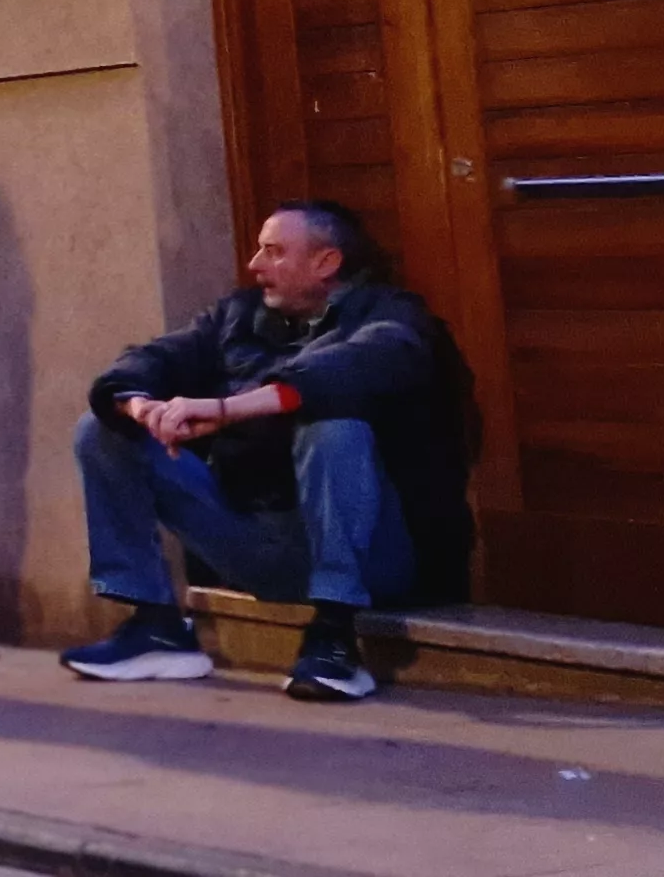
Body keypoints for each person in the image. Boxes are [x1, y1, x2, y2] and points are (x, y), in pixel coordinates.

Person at [68, 202, 473, 704]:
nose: (256, 265)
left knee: (333, 424)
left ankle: (334, 637)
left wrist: (227, 409)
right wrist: (140, 406)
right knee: (102, 429)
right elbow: (150, 360)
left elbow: (343, 372)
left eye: (274, 252)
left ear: (326, 262)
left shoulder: (394, 317)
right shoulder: (237, 316)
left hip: (374, 556)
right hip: (255, 540)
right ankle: (156, 627)